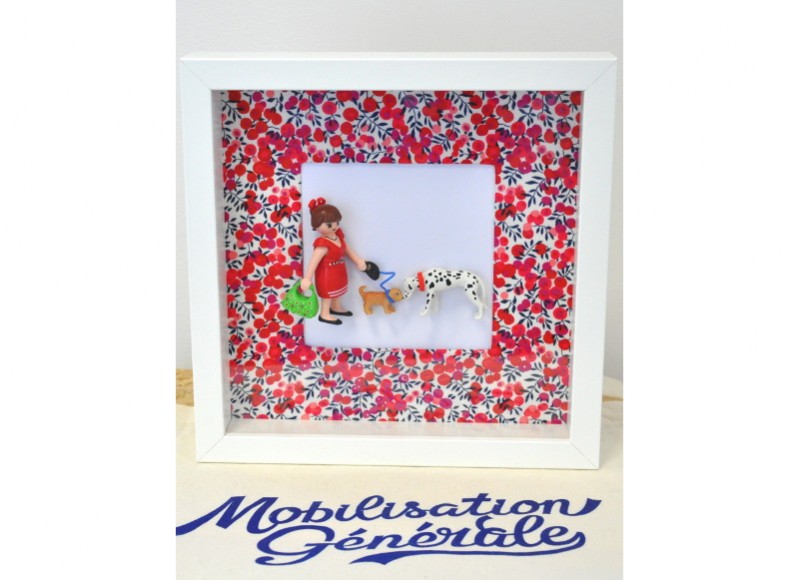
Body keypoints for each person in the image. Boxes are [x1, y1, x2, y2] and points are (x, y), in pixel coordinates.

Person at [300, 198, 368, 325]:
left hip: (339, 271)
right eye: (329, 225)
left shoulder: (338, 237)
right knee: (328, 295)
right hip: (326, 274)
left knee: (338, 291)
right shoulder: (322, 244)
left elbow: (347, 250)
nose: (334, 226)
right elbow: (314, 261)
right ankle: (324, 313)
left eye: (337, 222)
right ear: (316, 225)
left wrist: (358, 261)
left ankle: (336, 307)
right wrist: (307, 277)